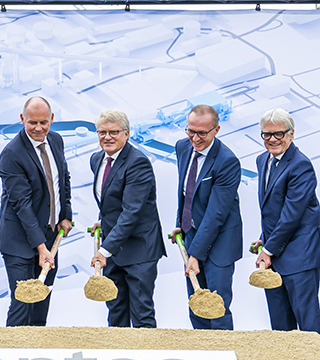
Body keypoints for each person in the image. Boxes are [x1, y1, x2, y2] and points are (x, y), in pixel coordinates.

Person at [0, 96, 73, 326]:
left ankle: (38, 355)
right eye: (32, 123)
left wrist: (66, 215)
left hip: (49, 236)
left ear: (51, 120)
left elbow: (63, 180)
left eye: (43, 122)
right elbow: (22, 205)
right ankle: (13, 356)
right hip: (19, 241)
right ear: (22, 119)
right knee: (23, 303)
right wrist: (41, 248)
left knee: (42, 300)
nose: (38, 128)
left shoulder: (56, 141)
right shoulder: (11, 154)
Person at [90, 109, 165, 328]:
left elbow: (132, 211)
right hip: (114, 249)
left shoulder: (138, 163)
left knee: (141, 313)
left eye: (114, 132)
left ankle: (147, 359)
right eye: (102, 132)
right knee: (116, 311)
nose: (107, 137)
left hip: (139, 249)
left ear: (127, 133)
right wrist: (103, 221)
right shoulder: (97, 159)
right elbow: (110, 201)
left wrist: (104, 251)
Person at [170, 105, 242, 330]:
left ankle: (224, 359)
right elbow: (186, 192)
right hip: (192, 235)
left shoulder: (227, 162)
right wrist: (180, 224)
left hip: (220, 242)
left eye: (202, 133)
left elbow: (215, 214)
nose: (195, 138)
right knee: (197, 305)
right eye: (191, 131)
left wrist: (195, 255)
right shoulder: (183, 147)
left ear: (217, 129)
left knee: (216, 308)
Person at [252, 108, 320, 333]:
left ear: (291, 134)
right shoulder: (263, 160)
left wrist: (268, 249)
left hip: (299, 257)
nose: (272, 140)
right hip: (273, 257)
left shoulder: (301, 165)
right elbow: (273, 210)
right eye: (267, 134)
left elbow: (292, 215)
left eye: (278, 134)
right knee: (280, 328)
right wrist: (263, 240)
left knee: (308, 325)